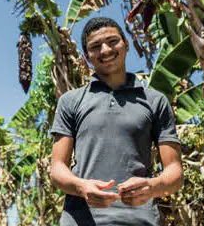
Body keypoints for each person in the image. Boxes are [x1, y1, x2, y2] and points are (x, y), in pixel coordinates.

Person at [49, 17, 183, 225]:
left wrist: (152, 186)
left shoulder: (155, 101)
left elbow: (175, 172)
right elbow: (57, 169)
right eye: (95, 46)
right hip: (81, 220)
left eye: (112, 41)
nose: (105, 50)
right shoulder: (71, 101)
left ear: (126, 44)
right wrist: (81, 187)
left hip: (140, 219)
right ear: (86, 56)